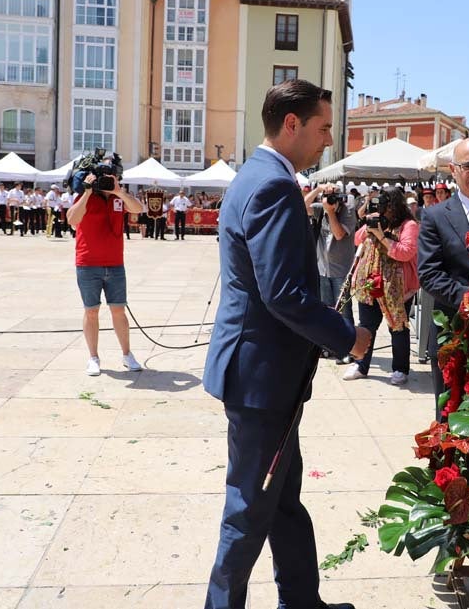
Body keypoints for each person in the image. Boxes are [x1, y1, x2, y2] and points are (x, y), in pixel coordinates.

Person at [203, 79, 370, 609]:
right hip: (262, 380)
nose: (327, 140)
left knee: (282, 503)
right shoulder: (273, 185)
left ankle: (302, 601)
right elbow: (283, 294)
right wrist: (349, 337)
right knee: (250, 509)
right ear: (292, 124)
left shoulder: (258, 176)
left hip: (264, 375)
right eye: (322, 128)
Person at [417, 136, 469, 417]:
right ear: (454, 170)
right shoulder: (435, 216)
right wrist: (467, 298)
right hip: (453, 329)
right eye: (468, 166)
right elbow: (428, 273)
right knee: (452, 412)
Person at [66, 164, 145, 377]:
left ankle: (127, 354)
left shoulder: (118, 197)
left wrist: (119, 191)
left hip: (115, 264)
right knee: (91, 311)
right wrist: (87, 191)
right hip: (87, 263)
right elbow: (72, 220)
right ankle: (93, 357)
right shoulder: (85, 196)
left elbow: (138, 209)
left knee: (119, 310)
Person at [344, 185, 419, 385]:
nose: (384, 210)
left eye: (387, 205)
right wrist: (369, 223)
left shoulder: (408, 225)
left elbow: (406, 252)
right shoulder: (377, 218)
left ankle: (400, 369)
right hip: (370, 283)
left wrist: (382, 237)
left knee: (398, 327)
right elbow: (357, 239)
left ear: (396, 206)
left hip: (397, 286)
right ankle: (361, 365)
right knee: (367, 325)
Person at [305, 183, 357, 363]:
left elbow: (338, 234)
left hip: (341, 269)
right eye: (328, 197)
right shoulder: (322, 207)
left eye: (333, 197)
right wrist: (319, 190)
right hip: (322, 268)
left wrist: (331, 211)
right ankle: (329, 347)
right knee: (325, 310)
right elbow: (302, 205)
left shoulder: (348, 208)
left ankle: (347, 349)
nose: (331, 200)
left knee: (343, 311)